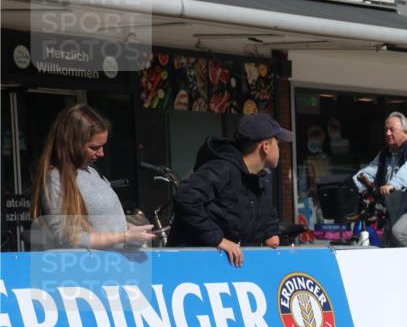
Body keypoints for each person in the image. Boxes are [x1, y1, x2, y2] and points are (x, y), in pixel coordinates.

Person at [168, 114, 290, 266]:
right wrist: (219, 239)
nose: (279, 150)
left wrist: (271, 234)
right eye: (277, 144)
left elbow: (266, 217)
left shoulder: (261, 180)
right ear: (265, 146)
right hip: (193, 265)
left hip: (229, 269)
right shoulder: (222, 168)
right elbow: (185, 198)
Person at [30, 103, 155, 249]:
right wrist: (124, 237)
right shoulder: (56, 178)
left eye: (103, 146)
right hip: (93, 262)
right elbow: (68, 238)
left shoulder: (92, 172)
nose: (101, 153)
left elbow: (102, 224)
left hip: (116, 260)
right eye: (94, 147)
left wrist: (129, 229)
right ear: (72, 143)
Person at [353, 112, 407, 246]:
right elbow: (369, 171)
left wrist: (393, 184)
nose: (387, 133)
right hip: (391, 212)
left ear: (405, 132)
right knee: (387, 246)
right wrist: (350, 185)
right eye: (386, 130)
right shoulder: (385, 153)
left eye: (392, 130)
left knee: (399, 233)